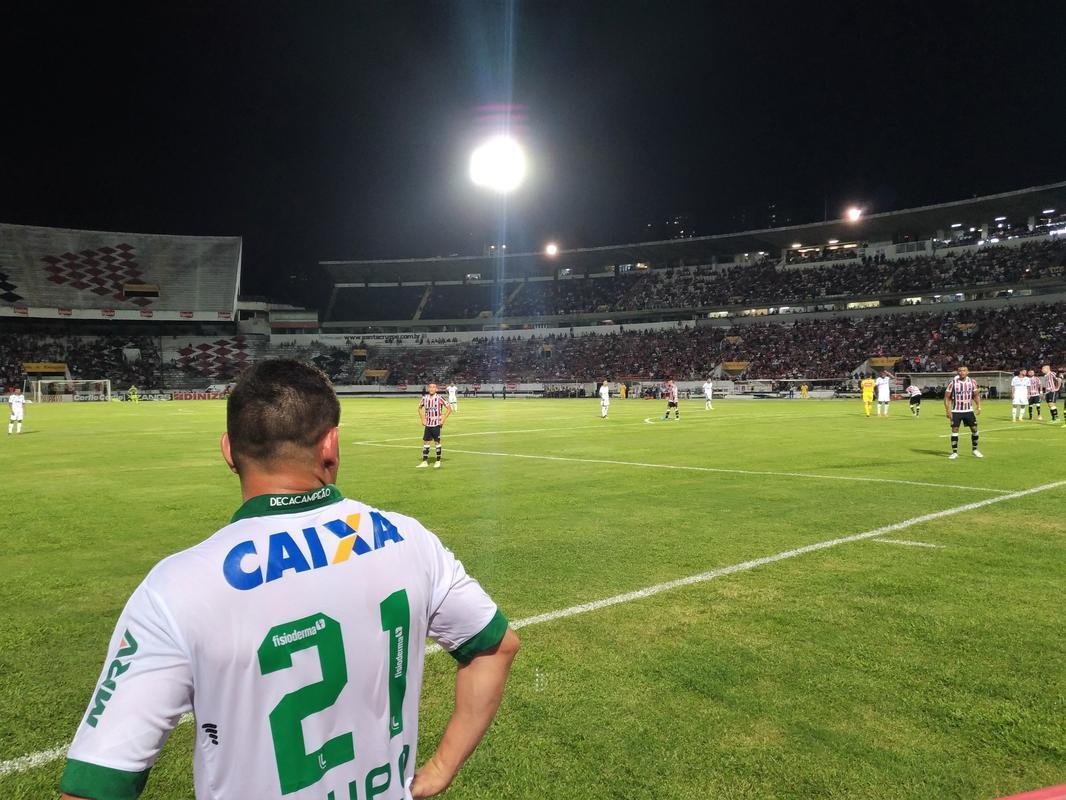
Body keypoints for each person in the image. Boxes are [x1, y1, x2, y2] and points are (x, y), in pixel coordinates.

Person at [59, 359, 518, 800]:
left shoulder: (176, 588)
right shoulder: (410, 539)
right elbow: (496, 646)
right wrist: (438, 769)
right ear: (331, 445)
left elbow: (96, 784)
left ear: (228, 451)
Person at [944, 365, 982, 459]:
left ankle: (975, 450)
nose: (962, 372)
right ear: (958, 372)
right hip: (956, 410)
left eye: (964, 371)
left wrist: (978, 406)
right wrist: (947, 410)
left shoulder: (972, 382)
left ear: (967, 372)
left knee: (974, 429)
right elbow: (946, 397)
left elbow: (976, 395)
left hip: (968, 410)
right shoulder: (953, 383)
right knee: (955, 430)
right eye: (960, 371)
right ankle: (954, 452)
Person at [418, 382, 452, 469]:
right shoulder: (425, 398)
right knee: (426, 442)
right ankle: (425, 461)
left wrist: (443, 420)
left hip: (436, 423)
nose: (432, 389)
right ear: (428, 389)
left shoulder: (439, 398)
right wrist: (422, 419)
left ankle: (438, 461)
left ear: (436, 389)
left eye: (434, 387)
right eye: (430, 387)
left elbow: (449, 409)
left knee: (437, 442)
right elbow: (419, 408)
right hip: (428, 424)